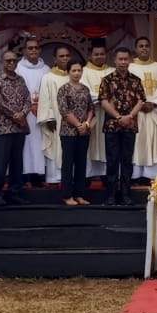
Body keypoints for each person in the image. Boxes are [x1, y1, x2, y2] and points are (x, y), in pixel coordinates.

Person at [99, 47, 147, 205]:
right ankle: (111, 195)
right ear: (114, 60)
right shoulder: (107, 80)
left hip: (130, 126)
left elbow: (141, 100)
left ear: (130, 60)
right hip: (112, 125)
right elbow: (103, 101)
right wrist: (119, 117)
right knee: (112, 161)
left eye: (126, 59)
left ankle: (126, 194)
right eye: (120, 59)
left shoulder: (135, 80)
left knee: (127, 161)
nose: (123, 62)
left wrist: (130, 116)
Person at [0, 49, 31, 204]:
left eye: (14, 60)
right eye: (8, 61)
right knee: (1, 163)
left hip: (19, 129)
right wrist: (16, 115)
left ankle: (14, 192)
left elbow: (28, 99)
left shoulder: (21, 80)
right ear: (2, 62)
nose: (12, 63)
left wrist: (23, 113)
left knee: (17, 163)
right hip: (3, 129)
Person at [128, 36, 157, 184]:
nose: (144, 48)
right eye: (141, 46)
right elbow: (128, 89)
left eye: (146, 45)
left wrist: (152, 103)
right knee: (136, 143)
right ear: (136, 48)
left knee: (153, 142)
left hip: (153, 111)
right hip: (136, 112)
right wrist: (140, 104)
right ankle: (135, 175)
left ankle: (150, 175)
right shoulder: (131, 67)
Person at [36, 45, 74, 192]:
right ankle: (54, 178)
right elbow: (44, 99)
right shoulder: (48, 77)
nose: (65, 58)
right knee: (55, 147)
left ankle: (69, 178)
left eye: (67, 56)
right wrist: (49, 118)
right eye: (61, 56)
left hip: (73, 120)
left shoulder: (75, 75)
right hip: (55, 120)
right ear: (55, 59)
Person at [55, 60, 94, 205]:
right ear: (68, 72)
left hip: (84, 132)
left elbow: (91, 108)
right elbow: (64, 111)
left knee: (81, 163)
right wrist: (78, 125)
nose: (77, 73)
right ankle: (67, 195)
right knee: (68, 164)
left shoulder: (85, 89)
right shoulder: (63, 89)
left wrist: (86, 124)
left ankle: (79, 194)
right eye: (74, 70)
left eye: (79, 70)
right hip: (68, 132)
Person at [15, 36, 51, 186]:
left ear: (40, 50)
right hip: (25, 113)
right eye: (30, 48)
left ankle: (40, 177)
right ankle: (26, 177)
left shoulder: (46, 69)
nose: (33, 50)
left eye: (36, 48)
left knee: (42, 143)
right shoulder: (18, 68)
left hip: (41, 113)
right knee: (27, 145)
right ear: (24, 50)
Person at [82, 42, 113, 185]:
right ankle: (89, 177)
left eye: (102, 54)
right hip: (93, 115)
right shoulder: (84, 72)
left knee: (109, 146)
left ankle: (107, 177)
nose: (99, 56)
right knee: (90, 147)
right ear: (90, 55)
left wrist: (106, 101)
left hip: (110, 116)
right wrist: (103, 99)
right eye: (96, 54)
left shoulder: (112, 71)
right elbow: (84, 91)